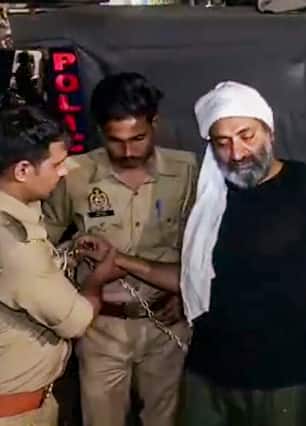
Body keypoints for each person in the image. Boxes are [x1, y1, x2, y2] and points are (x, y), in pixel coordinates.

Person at [176, 81, 306, 426]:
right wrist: (124, 262)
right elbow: (195, 275)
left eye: (247, 136)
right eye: (222, 142)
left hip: (286, 378)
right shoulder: (208, 199)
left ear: (270, 132)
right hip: (208, 372)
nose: (237, 153)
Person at [42, 72, 197, 426]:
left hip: (166, 325)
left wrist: (187, 295)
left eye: (138, 138)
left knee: (165, 419)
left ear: (154, 123)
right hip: (101, 328)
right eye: (115, 140)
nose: (128, 152)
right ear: (99, 131)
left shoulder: (187, 171)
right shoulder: (74, 174)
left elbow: (199, 247)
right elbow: (45, 242)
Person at [0, 106, 120, 426]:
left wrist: (68, 254)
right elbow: (76, 320)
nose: (65, 171)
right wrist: (97, 279)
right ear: (23, 170)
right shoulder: (17, 245)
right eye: (56, 164)